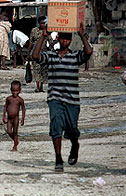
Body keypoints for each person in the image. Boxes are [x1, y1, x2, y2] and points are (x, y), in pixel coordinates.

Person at [32, 23, 93, 172]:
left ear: (71, 40)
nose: (65, 41)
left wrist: (81, 35)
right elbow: (35, 56)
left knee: (72, 129)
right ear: (58, 38)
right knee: (56, 126)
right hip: (55, 98)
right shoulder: (51, 56)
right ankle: (58, 158)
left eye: (68, 38)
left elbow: (88, 53)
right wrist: (44, 36)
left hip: (72, 100)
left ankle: (75, 145)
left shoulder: (74, 56)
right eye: (63, 38)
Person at [27, 16, 54, 92]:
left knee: (43, 70)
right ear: (39, 23)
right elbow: (31, 42)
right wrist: (28, 54)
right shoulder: (34, 30)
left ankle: (41, 87)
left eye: (44, 23)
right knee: (36, 70)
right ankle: (38, 86)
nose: (43, 25)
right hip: (35, 52)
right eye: (41, 23)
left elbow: (51, 42)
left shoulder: (47, 32)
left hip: (44, 53)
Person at [3, 80, 26, 152]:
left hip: (16, 118)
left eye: (16, 91)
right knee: (9, 131)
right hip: (9, 119)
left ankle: (15, 147)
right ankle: (16, 141)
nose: (15, 93)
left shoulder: (20, 100)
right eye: (13, 91)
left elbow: (23, 109)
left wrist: (23, 119)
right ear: (10, 90)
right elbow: (5, 107)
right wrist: (4, 116)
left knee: (15, 132)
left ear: (20, 90)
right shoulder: (9, 99)